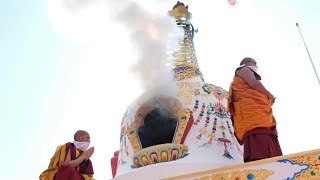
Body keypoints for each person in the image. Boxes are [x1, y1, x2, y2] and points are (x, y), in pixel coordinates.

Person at [228, 57, 282, 162]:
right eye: (254, 63)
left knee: (265, 133)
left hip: (257, 112)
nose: (256, 65)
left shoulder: (243, 73)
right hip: (252, 114)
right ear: (246, 63)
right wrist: (268, 94)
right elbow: (254, 83)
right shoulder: (243, 70)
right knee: (258, 134)